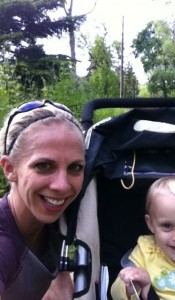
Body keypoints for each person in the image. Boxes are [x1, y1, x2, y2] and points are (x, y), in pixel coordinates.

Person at [0, 99, 85, 300]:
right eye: (44, 166)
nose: (62, 185)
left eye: (75, 167)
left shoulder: (66, 223)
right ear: (9, 169)